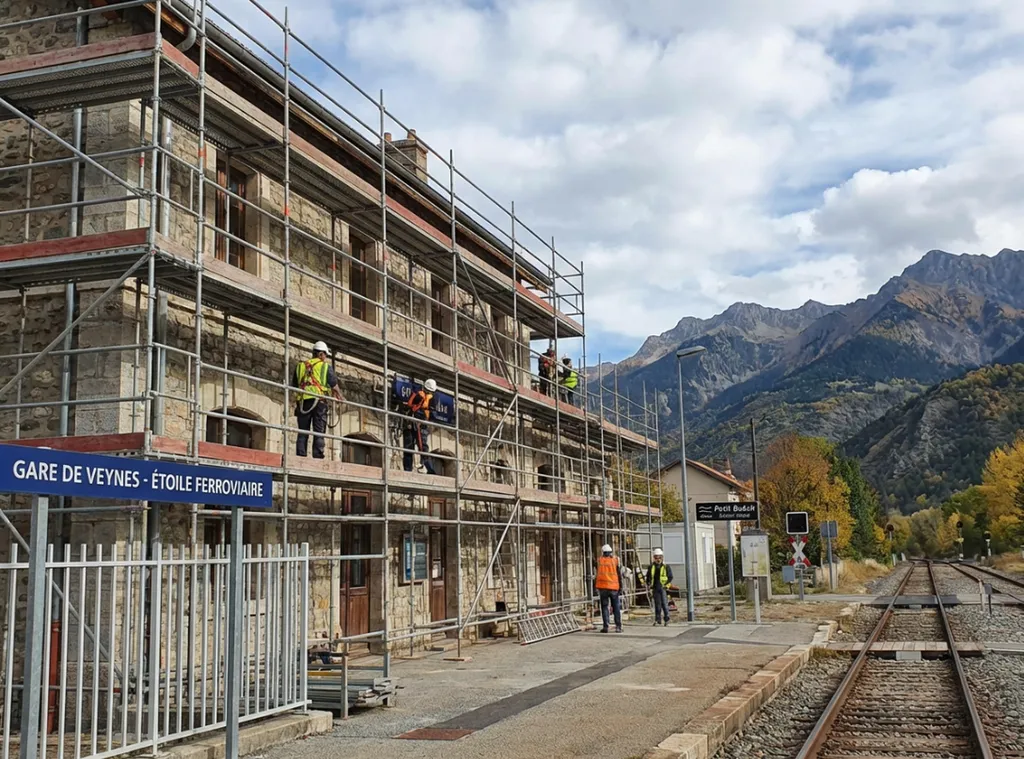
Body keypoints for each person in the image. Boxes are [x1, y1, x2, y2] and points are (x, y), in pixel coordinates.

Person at [294, 341, 343, 459]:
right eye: (325, 355)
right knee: (319, 430)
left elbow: (295, 384)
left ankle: (300, 455)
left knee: (303, 431)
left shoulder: (301, 366)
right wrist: (340, 396)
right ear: (321, 354)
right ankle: (318, 455)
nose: (325, 358)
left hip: (303, 402)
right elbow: (333, 384)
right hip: (319, 401)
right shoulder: (325, 366)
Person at [403, 378, 437, 474]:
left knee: (410, 447)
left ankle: (408, 469)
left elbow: (409, 406)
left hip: (413, 423)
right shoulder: (428, 398)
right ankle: (429, 469)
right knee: (422, 447)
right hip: (419, 424)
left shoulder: (418, 394)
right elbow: (432, 413)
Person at [595, 544, 623, 633]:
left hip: (603, 588)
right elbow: (619, 574)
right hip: (614, 587)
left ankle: (606, 627)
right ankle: (618, 627)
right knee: (616, 607)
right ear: (611, 552)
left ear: (603, 552)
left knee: (604, 607)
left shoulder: (599, 560)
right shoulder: (615, 560)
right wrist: (621, 587)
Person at [646, 548, 673, 626]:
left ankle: (666, 620)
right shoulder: (651, 567)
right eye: (656, 557)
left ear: (662, 557)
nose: (658, 559)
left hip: (663, 588)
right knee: (657, 605)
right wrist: (648, 584)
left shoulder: (666, 566)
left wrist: (666, 586)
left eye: (659, 557)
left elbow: (670, 577)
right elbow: (648, 577)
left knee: (664, 604)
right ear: (654, 558)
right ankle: (658, 620)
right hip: (655, 587)